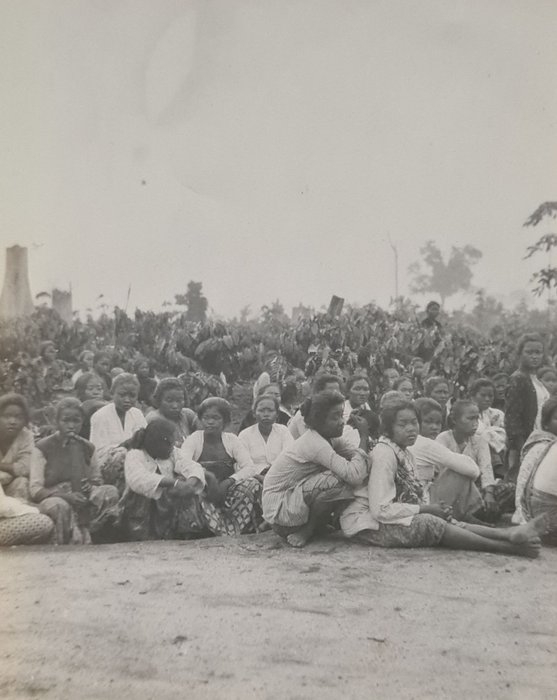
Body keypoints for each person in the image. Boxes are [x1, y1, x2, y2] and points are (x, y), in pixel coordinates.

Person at [340, 399, 546, 557]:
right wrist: (426, 509)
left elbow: (411, 494)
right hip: (368, 526)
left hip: (389, 516)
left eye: (414, 423)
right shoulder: (384, 454)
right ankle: (507, 547)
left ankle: (508, 534)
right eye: (403, 424)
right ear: (388, 429)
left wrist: (435, 508)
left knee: (444, 519)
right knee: (431, 522)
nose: (411, 428)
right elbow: (380, 510)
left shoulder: (405, 452)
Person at [263, 390, 370, 548]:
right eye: (335, 417)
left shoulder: (330, 438)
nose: (342, 421)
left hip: (292, 502)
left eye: (342, 415)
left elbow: (357, 456)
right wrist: (363, 437)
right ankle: (307, 530)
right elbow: (354, 475)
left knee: (352, 470)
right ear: (318, 421)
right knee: (339, 479)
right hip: (282, 513)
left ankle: (317, 525)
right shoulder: (314, 443)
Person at [30, 398, 120, 544]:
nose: (71, 425)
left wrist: (91, 486)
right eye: (66, 420)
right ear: (56, 421)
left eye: (76, 421)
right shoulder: (42, 447)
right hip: (54, 496)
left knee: (109, 492)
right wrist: (66, 496)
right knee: (60, 506)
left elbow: (96, 479)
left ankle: (95, 536)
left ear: (82, 422)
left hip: (82, 495)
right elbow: (35, 489)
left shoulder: (88, 447)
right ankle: (65, 542)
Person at [181, 397, 263, 536]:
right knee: (191, 491)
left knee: (252, 484)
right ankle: (207, 528)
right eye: (206, 417)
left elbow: (249, 467)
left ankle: (234, 526)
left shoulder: (232, 440)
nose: (210, 422)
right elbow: (182, 462)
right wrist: (205, 477)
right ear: (200, 419)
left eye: (216, 418)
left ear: (225, 421)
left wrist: (228, 482)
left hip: (227, 493)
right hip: (204, 492)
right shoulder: (195, 439)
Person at [122, 418, 206, 540]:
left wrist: (189, 483)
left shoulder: (173, 453)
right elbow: (138, 479)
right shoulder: (135, 455)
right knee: (150, 496)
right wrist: (174, 482)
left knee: (188, 490)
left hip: (167, 502)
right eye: (170, 444)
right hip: (144, 505)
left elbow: (191, 466)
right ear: (156, 444)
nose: (173, 447)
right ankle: (146, 535)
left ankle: (186, 531)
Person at [437, 400, 514, 521]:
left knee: (509, 489)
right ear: (455, 420)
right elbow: (442, 473)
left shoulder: (479, 440)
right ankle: (475, 516)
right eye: (470, 419)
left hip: (477, 490)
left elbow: (486, 468)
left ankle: (478, 514)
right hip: (453, 492)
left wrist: (489, 493)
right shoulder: (443, 439)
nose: (475, 424)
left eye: (476, 419)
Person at [410, 398, 483, 521]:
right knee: (456, 472)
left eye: (438, 423)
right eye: (428, 422)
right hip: (423, 503)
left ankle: (470, 517)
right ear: (416, 422)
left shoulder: (414, 441)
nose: (434, 427)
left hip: (419, 498)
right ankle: (475, 513)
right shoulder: (424, 443)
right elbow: (473, 470)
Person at [90, 373, 147, 494]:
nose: (127, 400)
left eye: (132, 396)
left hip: (135, 462)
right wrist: (125, 447)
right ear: (112, 394)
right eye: (122, 395)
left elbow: (144, 442)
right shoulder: (100, 416)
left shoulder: (137, 414)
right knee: (122, 455)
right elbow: (97, 452)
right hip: (108, 465)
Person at [505, 334, 548, 482]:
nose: (534, 356)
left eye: (538, 352)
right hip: (524, 445)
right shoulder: (518, 379)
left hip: (540, 441)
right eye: (529, 352)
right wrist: (523, 448)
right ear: (520, 354)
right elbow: (512, 419)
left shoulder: (535, 379)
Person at [513, 397, 557, 524]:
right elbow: (523, 481)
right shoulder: (540, 446)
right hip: (539, 514)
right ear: (546, 424)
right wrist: (522, 517)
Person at [238, 395, 294, 475]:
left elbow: (289, 457)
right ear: (254, 413)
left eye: (270, 410)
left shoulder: (283, 431)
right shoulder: (245, 435)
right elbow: (243, 464)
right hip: (254, 477)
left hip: (280, 475)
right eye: (261, 410)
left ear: (277, 414)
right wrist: (260, 477)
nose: (266, 414)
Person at [469, 378, 507, 478]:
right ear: (472, 396)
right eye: (483, 395)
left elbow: (503, 434)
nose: (487, 399)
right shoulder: (468, 413)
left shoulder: (495, 414)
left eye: (490, 396)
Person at [147, 377, 201, 446]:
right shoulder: (155, 419)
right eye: (169, 401)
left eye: (179, 400)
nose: (175, 406)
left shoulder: (187, 415)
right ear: (159, 400)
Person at [0, 393, 34, 502]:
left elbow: (25, 468)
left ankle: (18, 515)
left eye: (18, 417)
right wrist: (12, 469)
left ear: (25, 420)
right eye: (6, 416)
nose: (12, 421)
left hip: (11, 486)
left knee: (22, 482)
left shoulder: (26, 436)